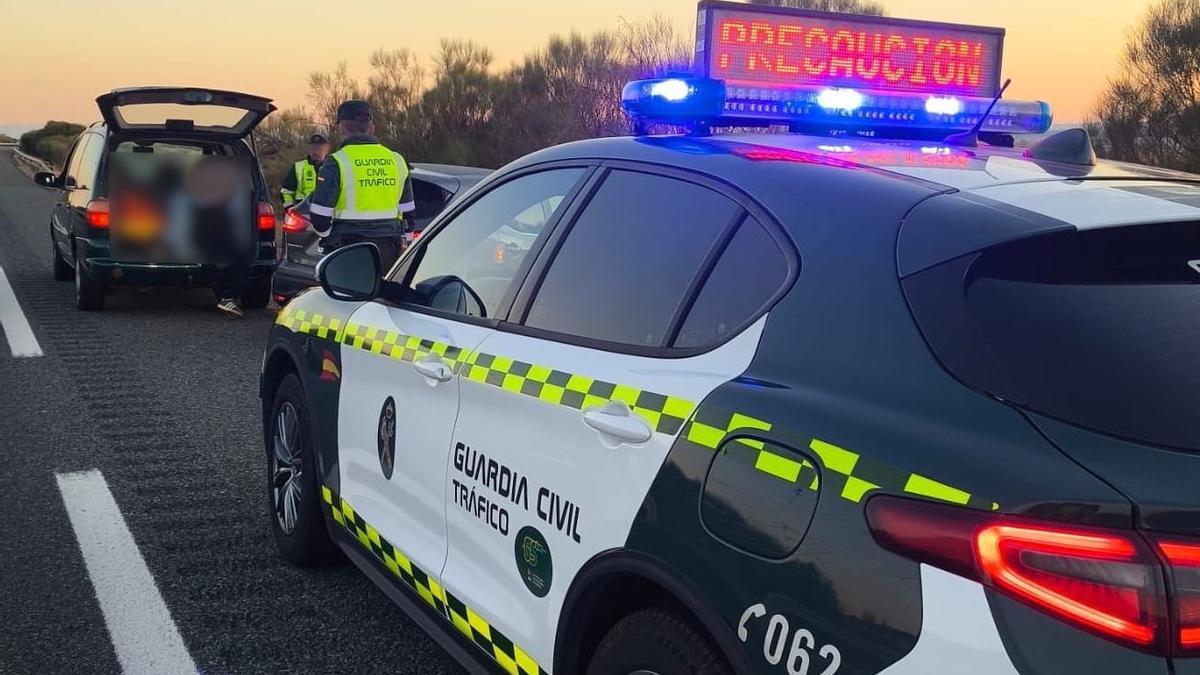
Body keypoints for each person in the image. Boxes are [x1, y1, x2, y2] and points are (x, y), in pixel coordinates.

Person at [308, 100, 415, 269]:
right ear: (371, 127)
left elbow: (320, 217)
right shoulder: (397, 160)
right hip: (389, 250)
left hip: (348, 249)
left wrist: (329, 237)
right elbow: (408, 212)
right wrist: (406, 244)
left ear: (342, 128)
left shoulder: (336, 162)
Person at [279, 133, 329, 207]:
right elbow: (286, 192)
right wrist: (290, 208)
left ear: (327, 150)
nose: (316, 152)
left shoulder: (332, 168)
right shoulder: (298, 167)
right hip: (302, 211)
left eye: (319, 149)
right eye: (313, 148)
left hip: (325, 211)